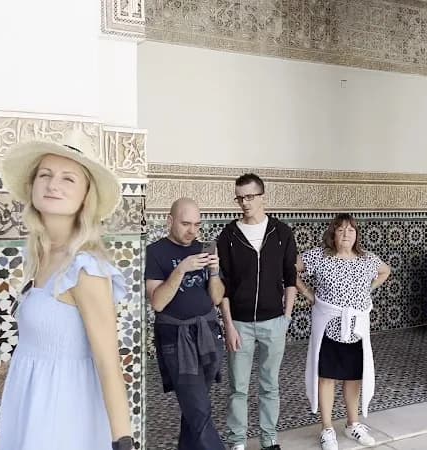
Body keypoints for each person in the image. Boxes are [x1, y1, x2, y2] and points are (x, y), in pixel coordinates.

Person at [0, 130, 133, 450]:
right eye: (46, 175)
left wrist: (123, 444)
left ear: (85, 196)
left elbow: (109, 364)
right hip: (28, 408)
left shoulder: (85, 269)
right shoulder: (41, 258)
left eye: (69, 178)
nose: (53, 184)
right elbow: (33, 346)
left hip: (62, 419)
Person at [216, 173, 298, 450]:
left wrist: (286, 317)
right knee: (238, 388)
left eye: (250, 197)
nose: (244, 203)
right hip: (239, 323)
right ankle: (237, 441)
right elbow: (223, 285)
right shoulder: (228, 235)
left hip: (274, 322)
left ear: (263, 196)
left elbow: (290, 279)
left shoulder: (282, 233)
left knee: (269, 385)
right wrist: (228, 325)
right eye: (240, 197)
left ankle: (269, 439)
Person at [296, 213, 390, 450]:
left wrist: (368, 289)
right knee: (326, 377)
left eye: (350, 230)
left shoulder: (367, 259)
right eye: (340, 230)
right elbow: (290, 269)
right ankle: (327, 428)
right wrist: (308, 294)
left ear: (356, 234)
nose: (346, 234)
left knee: (353, 377)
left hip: (356, 329)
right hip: (329, 326)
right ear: (333, 234)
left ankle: (353, 423)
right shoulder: (319, 256)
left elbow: (385, 271)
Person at [145, 197, 226, 450]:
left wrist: (214, 271)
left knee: (194, 408)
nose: (193, 231)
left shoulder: (204, 248)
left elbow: (216, 297)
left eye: (197, 225)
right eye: (186, 224)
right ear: (170, 221)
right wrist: (181, 270)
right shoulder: (155, 252)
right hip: (176, 338)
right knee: (199, 411)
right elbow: (157, 302)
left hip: (208, 334)